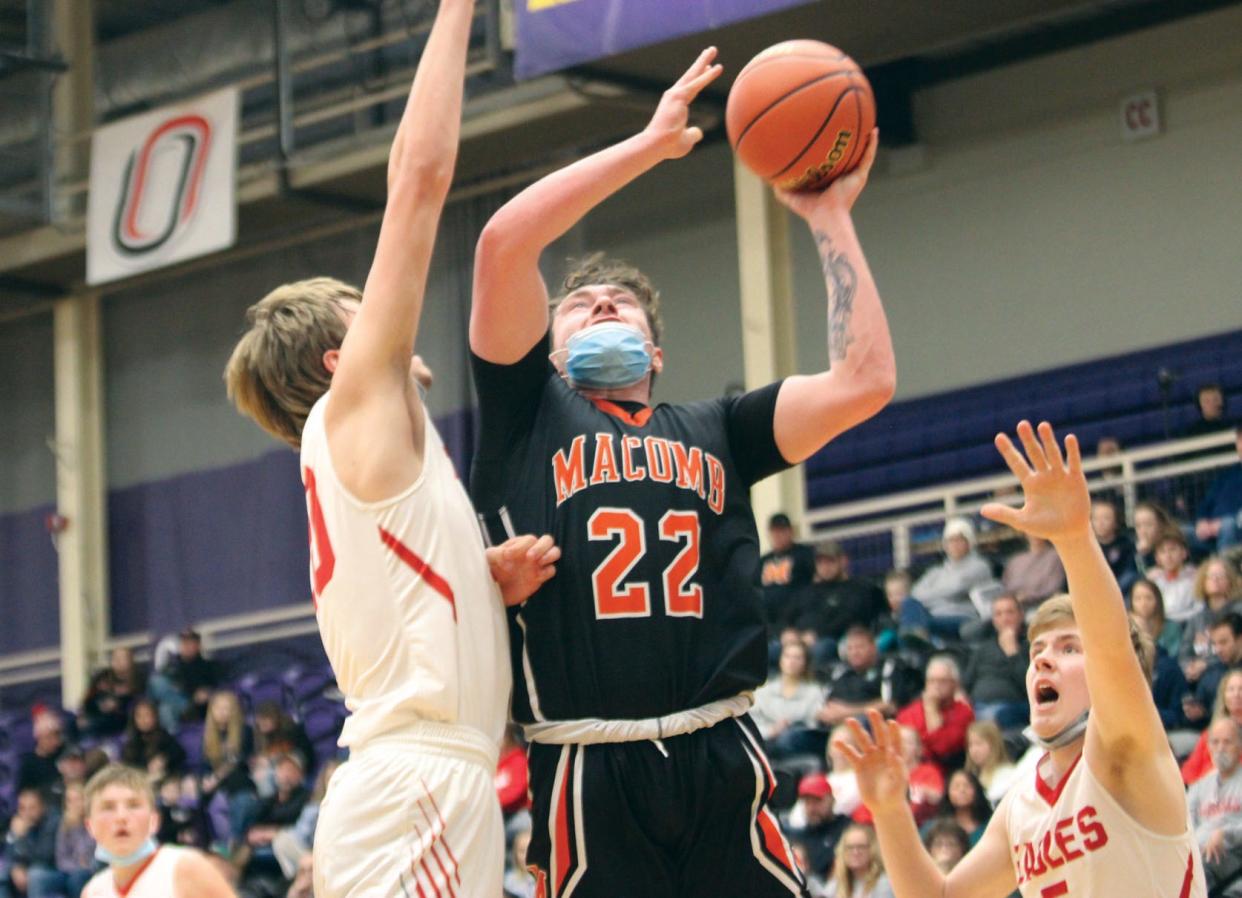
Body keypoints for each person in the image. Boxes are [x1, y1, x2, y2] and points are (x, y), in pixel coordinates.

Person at [468, 43, 895, 897]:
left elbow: (865, 382)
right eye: (579, 308)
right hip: (589, 762)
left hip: (720, 750)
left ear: (653, 349)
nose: (598, 308)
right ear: (549, 350)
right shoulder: (525, 416)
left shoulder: (720, 430)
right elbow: (504, 242)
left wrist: (826, 212)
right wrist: (648, 146)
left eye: (617, 304)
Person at [222, 2, 559, 893]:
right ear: (341, 356)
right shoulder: (357, 405)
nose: (387, 320)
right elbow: (419, 178)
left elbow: (409, 604)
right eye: (362, 314)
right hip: (418, 780)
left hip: (420, 777)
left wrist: (487, 588)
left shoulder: (370, 459)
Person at [836, 421, 1206, 897]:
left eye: (1070, 648)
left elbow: (1112, 649)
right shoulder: (1022, 799)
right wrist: (889, 813)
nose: (1045, 661)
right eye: (1037, 652)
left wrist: (1074, 539)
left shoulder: (1127, 750)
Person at [80, 764, 234, 898]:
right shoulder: (93, 891)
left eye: (133, 805)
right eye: (108, 807)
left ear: (154, 821)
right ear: (90, 826)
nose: (121, 817)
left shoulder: (184, 867)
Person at [796, 542, 889, 667]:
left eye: (830, 561)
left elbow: (849, 618)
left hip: (841, 640)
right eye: (820, 562)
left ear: (843, 560)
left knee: (822, 648)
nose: (825, 566)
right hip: (803, 639)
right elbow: (793, 614)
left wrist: (817, 634)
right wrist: (790, 633)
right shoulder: (809, 591)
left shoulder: (859, 588)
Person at [909, 519, 995, 635]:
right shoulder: (936, 572)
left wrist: (931, 597)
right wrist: (942, 597)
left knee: (917, 626)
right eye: (951, 540)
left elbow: (956, 589)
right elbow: (915, 595)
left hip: (963, 618)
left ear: (969, 542)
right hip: (934, 616)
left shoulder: (979, 566)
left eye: (959, 540)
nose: (955, 545)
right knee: (909, 603)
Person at [1186, 718, 1242, 896]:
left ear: (1240, 746)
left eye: (1227, 742)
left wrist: (1225, 833)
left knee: (1200, 870)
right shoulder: (1199, 786)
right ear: (1208, 747)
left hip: (1232, 855)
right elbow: (1185, 825)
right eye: (1215, 742)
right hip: (1198, 854)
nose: (1220, 748)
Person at [961, 595, 1030, 729]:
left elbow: (1029, 685)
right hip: (978, 706)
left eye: (1010, 612)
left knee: (1000, 715)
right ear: (993, 620)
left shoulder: (1030, 645)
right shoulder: (983, 647)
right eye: (998, 614)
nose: (1004, 618)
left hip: (1011, 707)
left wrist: (1012, 653)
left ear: (1021, 615)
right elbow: (966, 682)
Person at [894, 657, 973, 773]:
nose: (936, 686)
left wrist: (931, 709)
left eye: (942, 681)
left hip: (948, 772)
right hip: (911, 773)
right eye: (931, 681)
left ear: (955, 684)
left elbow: (941, 749)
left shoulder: (964, 712)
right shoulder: (908, 713)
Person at [753, 640, 828, 760]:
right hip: (766, 741)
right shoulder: (763, 690)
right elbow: (754, 721)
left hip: (797, 745)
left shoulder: (815, 692)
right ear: (781, 660)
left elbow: (812, 725)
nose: (791, 661)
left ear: (805, 662)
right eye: (787, 656)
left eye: (797, 657)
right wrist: (771, 731)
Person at [1179, 556, 1242, 678]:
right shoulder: (1196, 618)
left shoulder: (1239, 611)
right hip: (1197, 676)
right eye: (1211, 576)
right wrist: (1188, 667)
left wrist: (1207, 664)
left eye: (1220, 576)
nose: (1215, 580)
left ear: (1230, 580)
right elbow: (1184, 652)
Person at [148, 629, 221, 730]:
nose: (187, 646)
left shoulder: (209, 666)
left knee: (165, 708)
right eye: (184, 643)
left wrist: (207, 692)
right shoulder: (172, 667)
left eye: (190, 643)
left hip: (198, 707)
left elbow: (219, 687)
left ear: (198, 646)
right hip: (178, 704)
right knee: (158, 689)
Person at [759, 512, 818, 629]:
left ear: (791, 531)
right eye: (774, 531)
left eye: (782, 531)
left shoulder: (804, 554)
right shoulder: (763, 561)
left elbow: (816, 582)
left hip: (796, 617)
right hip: (768, 621)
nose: (778, 535)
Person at [1183, 670, 1242, 786]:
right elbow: (1190, 771)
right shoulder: (1210, 733)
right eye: (1231, 689)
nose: (1236, 694)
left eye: (1241, 689)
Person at [0, 788, 59, 898]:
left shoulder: (52, 822)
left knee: (35, 875)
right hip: (25, 870)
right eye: (22, 808)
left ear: (43, 807)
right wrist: (15, 867)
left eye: (32, 808)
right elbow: (8, 854)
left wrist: (20, 838)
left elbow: (44, 856)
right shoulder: (19, 823)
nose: (27, 813)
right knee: (1, 875)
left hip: (50, 870)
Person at [82, 647, 147, 738]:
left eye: (122, 658)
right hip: (99, 715)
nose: (118, 662)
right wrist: (100, 706)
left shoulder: (139, 678)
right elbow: (88, 700)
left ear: (130, 660)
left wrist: (117, 703)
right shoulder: (102, 676)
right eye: (115, 658)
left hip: (123, 718)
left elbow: (139, 700)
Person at [1195, 427, 1242, 553]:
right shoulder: (1228, 474)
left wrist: (1221, 524)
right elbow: (1206, 502)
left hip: (1235, 530)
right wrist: (1202, 521)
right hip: (1211, 531)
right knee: (1178, 533)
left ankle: (1224, 572)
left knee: (1228, 526)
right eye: (1240, 439)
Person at [817, 824, 894, 898]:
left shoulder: (883, 883)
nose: (855, 852)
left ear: (872, 849)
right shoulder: (837, 883)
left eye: (861, 847)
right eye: (850, 847)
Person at [120, 698, 187, 782]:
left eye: (147, 715)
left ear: (155, 717)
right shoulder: (131, 741)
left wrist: (163, 759)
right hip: (138, 781)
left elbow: (179, 753)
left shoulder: (164, 737)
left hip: (163, 781)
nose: (143, 720)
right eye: (139, 716)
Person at [922, 770, 991, 847]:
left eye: (967, 786)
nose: (962, 790)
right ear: (947, 793)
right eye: (956, 786)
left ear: (977, 791)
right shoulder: (934, 828)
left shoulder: (990, 826)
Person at [1001, 536, 1066, 615]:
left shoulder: (1055, 557)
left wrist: (1028, 596)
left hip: (1042, 607)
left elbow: (1054, 587)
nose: (1034, 535)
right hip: (1015, 608)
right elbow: (1007, 587)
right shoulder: (1016, 560)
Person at [963, 721, 1017, 806]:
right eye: (970, 745)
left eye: (979, 743)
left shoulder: (1007, 773)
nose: (974, 750)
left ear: (993, 744)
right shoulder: (971, 776)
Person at [1090, 498, 1138, 594]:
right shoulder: (1088, 547)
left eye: (1106, 518)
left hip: (1122, 590)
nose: (1101, 523)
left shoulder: (1126, 543)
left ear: (1116, 522)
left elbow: (1130, 572)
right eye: (1096, 518)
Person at [1149, 529, 1198, 622]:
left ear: (1184, 553)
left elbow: (1199, 610)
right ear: (1157, 558)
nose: (1168, 556)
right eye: (1162, 551)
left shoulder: (1195, 577)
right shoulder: (1153, 581)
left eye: (1172, 549)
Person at [1129, 578, 1183, 660]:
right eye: (1138, 599)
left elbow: (1173, 656)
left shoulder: (1171, 627)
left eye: (1148, 598)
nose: (1143, 604)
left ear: (1157, 600)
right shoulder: (1126, 628)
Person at [1133, 501, 1175, 575]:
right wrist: (1142, 555)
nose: (1143, 531)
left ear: (1161, 524)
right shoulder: (1135, 547)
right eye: (1138, 526)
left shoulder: (1172, 542)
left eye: (1148, 525)